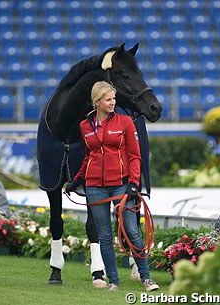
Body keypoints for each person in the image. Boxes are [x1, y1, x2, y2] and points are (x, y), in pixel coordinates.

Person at [66, 81, 159, 291]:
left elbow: (135, 157)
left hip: (122, 186)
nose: (113, 103)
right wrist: (77, 180)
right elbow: (89, 155)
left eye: (114, 99)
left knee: (132, 232)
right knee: (105, 236)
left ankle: (147, 278)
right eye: (108, 99)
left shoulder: (126, 122)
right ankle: (114, 282)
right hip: (95, 187)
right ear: (97, 102)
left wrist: (134, 184)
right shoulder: (84, 126)